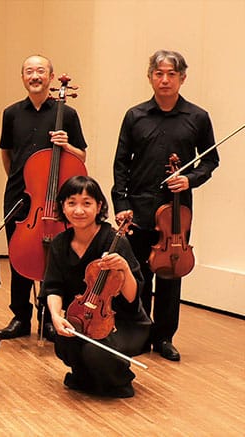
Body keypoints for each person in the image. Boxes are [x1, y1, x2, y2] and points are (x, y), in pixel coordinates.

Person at [112, 49, 218, 362]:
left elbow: (211, 160)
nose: (165, 79)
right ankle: (140, 333)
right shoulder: (135, 115)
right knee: (139, 273)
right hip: (139, 205)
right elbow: (121, 163)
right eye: (159, 73)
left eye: (172, 74)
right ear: (150, 77)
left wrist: (191, 179)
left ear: (182, 78)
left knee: (171, 274)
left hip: (176, 210)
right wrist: (121, 201)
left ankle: (165, 338)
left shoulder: (197, 117)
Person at [0, 55, 89, 341]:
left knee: (57, 257)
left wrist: (67, 145)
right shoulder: (11, 113)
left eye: (40, 71)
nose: (34, 76)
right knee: (19, 253)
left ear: (50, 77)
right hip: (22, 194)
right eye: (29, 71)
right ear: (22, 77)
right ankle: (20, 316)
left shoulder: (67, 114)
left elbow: (82, 156)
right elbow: (6, 153)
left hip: (57, 199)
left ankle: (51, 317)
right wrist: (25, 183)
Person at [45, 176, 149, 398]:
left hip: (123, 322)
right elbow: (53, 287)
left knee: (96, 350)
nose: (79, 210)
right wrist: (55, 316)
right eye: (71, 203)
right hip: (85, 317)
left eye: (87, 203)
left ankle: (119, 380)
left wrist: (125, 269)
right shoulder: (60, 243)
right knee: (64, 340)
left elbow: (132, 298)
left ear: (99, 206)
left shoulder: (115, 241)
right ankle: (87, 375)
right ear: (62, 206)